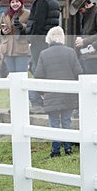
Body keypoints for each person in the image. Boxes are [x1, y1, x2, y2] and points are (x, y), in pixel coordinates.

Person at [33, 27, 82, 157]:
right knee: (66, 121)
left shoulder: (43, 54)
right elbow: (78, 72)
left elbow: (38, 75)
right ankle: (68, 149)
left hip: (51, 94)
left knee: (54, 123)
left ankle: (55, 151)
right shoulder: (71, 52)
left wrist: (42, 93)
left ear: (49, 39)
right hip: (68, 94)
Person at [26, 0, 61, 113]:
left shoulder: (40, 1)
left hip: (40, 40)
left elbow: (38, 22)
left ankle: (38, 101)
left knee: (37, 68)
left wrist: (31, 38)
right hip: (50, 39)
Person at [70, 0, 97, 75]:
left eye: (80, 10)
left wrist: (84, 41)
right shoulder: (86, 14)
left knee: (91, 78)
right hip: (86, 53)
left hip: (95, 54)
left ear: (86, 5)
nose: (80, 12)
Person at [0, 0, 31, 75]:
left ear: (21, 2)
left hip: (22, 50)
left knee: (21, 76)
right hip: (8, 50)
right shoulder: (5, 15)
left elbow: (31, 29)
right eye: (12, 2)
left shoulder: (28, 14)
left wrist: (22, 26)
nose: (15, 4)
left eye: (17, 1)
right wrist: (2, 32)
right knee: (11, 76)